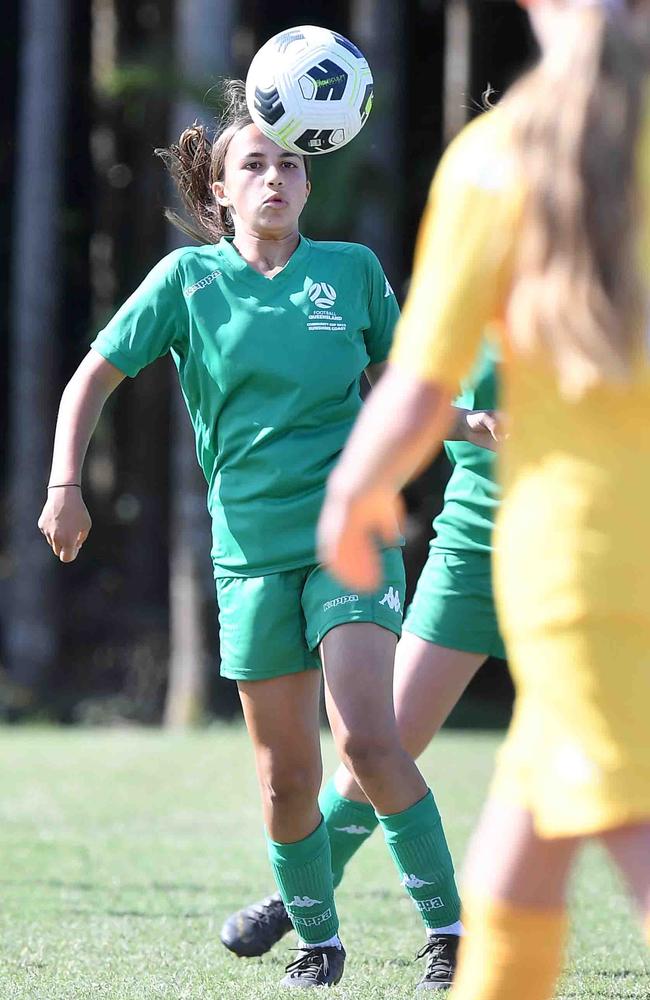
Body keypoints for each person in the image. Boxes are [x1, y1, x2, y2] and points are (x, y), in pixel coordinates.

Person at [38, 79, 499, 991]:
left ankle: (452, 932)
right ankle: (318, 943)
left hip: (349, 538)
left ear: (309, 180)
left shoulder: (353, 273)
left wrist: (473, 422)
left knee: (368, 737)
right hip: (247, 555)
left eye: (292, 162)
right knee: (286, 777)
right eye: (255, 164)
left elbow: (399, 391)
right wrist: (65, 486)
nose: (277, 177)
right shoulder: (186, 281)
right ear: (219, 189)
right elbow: (90, 378)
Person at [316, 2, 650, 999]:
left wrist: (352, 490)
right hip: (589, 574)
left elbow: (421, 387)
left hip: (576, 568)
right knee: (518, 853)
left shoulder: (496, 159)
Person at [220, 341, 505, 992]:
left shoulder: (618, 282)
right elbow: (404, 400)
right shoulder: (462, 293)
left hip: (593, 554)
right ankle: (299, 899)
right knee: (379, 746)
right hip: (473, 551)